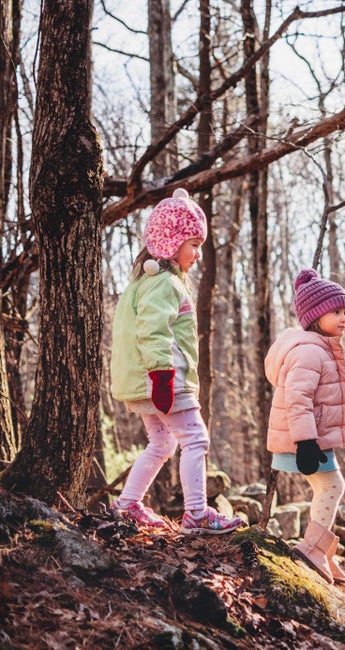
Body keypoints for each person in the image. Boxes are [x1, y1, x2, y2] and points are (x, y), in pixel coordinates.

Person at [110, 188, 244, 535]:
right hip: (165, 379)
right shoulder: (163, 282)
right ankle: (197, 513)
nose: (198, 253)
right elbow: (152, 331)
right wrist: (162, 376)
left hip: (151, 381)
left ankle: (126, 505)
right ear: (171, 241)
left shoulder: (150, 280)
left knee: (162, 443)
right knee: (195, 439)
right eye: (194, 244)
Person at [265, 269, 345, 584]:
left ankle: (325, 552)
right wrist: (305, 442)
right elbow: (297, 399)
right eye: (336, 311)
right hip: (305, 439)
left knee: (327, 487)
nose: (343, 318)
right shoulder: (309, 351)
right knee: (333, 486)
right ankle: (312, 549)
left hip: (315, 438)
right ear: (316, 316)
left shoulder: (321, 348)